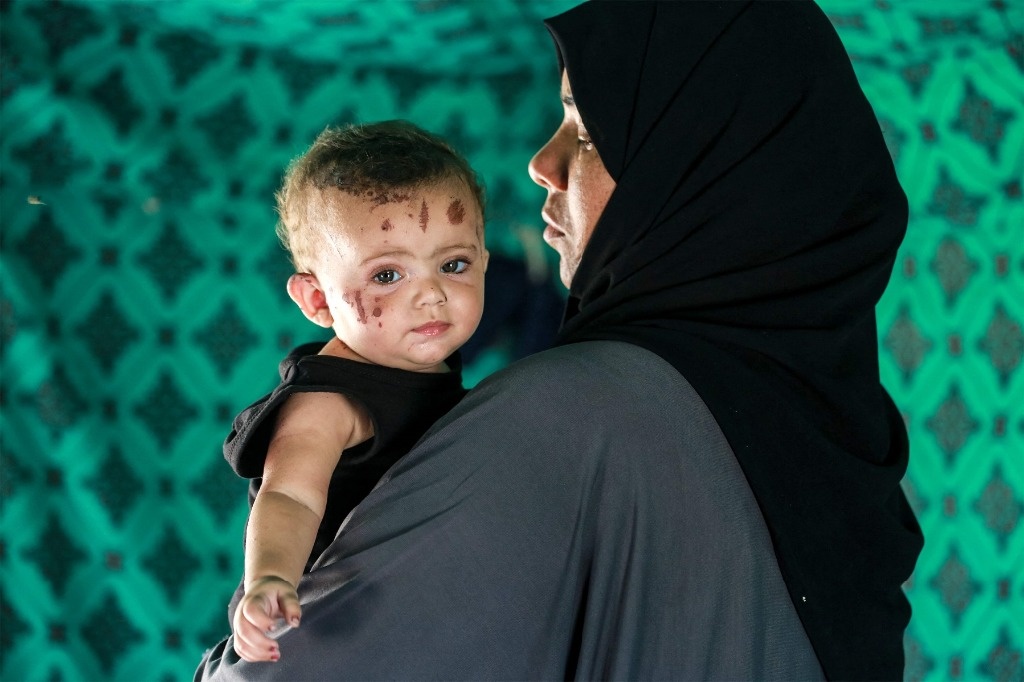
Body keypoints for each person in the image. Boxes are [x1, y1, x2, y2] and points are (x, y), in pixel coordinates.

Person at [197, 2, 922, 680]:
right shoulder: (838, 436)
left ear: (687, 167)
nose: (542, 163)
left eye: (585, 130)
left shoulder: (573, 412)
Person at [224, 120, 488, 663]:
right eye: (388, 276)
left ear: (485, 260)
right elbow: (289, 495)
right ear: (318, 300)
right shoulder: (330, 397)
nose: (433, 294)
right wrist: (271, 578)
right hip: (318, 621)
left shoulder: (428, 367)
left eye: (453, 264)